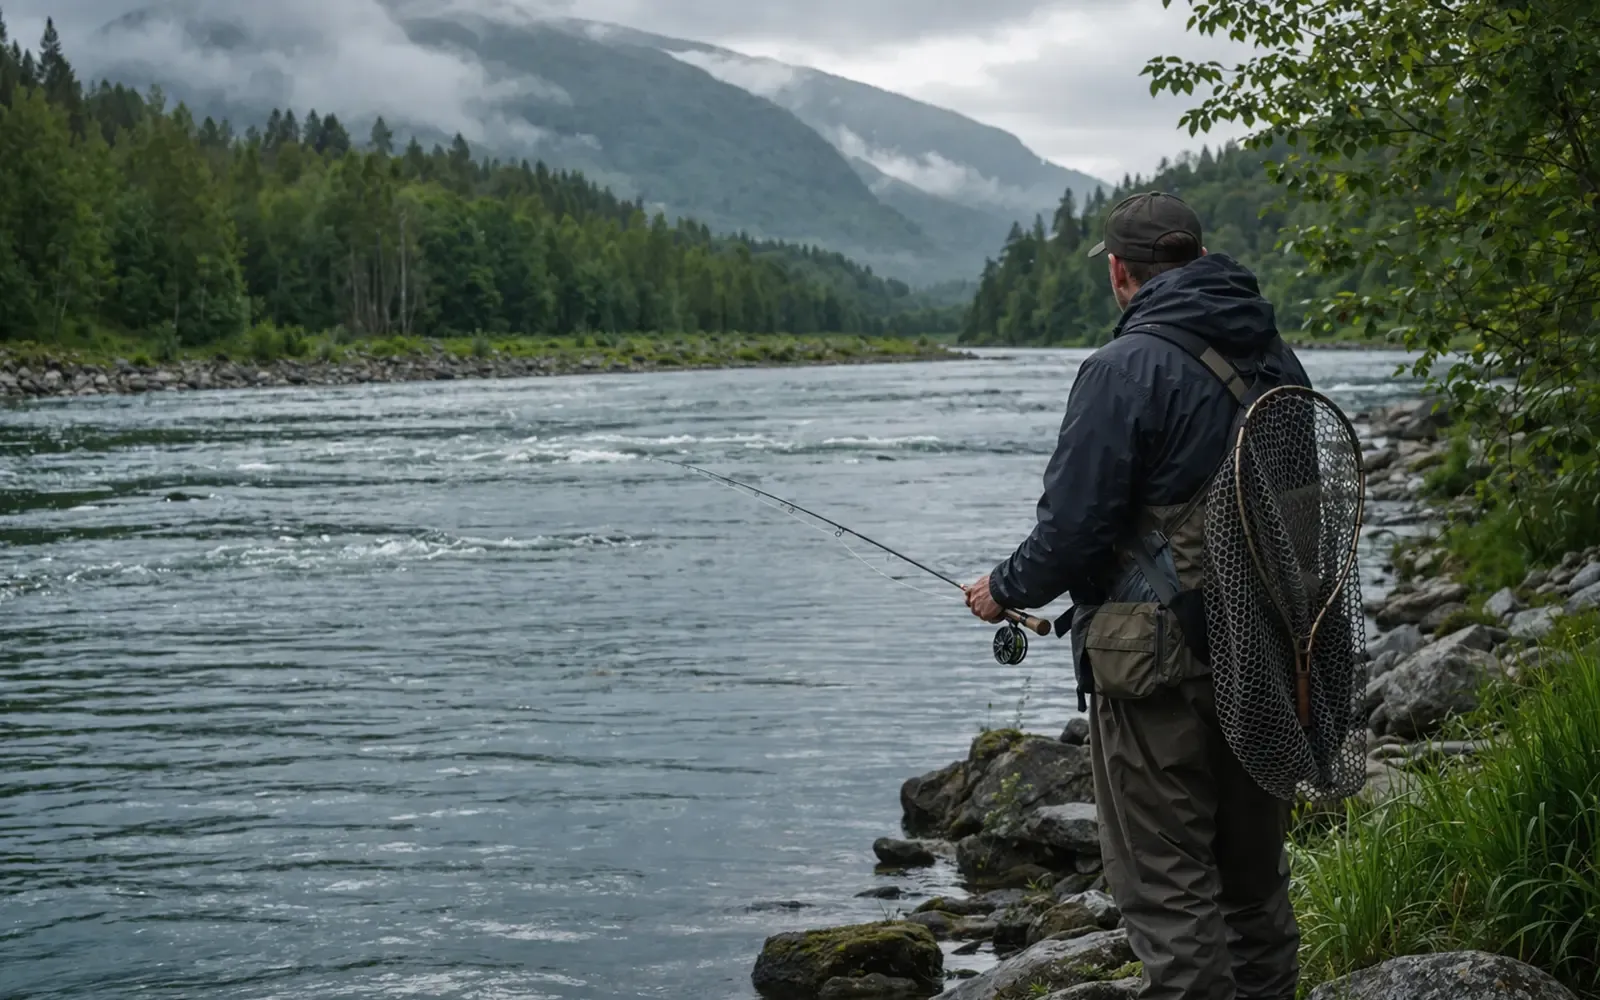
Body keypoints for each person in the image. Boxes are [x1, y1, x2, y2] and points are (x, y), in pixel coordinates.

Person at [963, 191, 1310, 1000]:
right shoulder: (1276, 356)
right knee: (1255, 889)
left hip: (1160, 672)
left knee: (1169, 891)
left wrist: (1002, 588)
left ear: (1121, 272)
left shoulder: (1121, 370)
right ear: (1194, 259)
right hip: (1268, 652)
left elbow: (1072, 533)